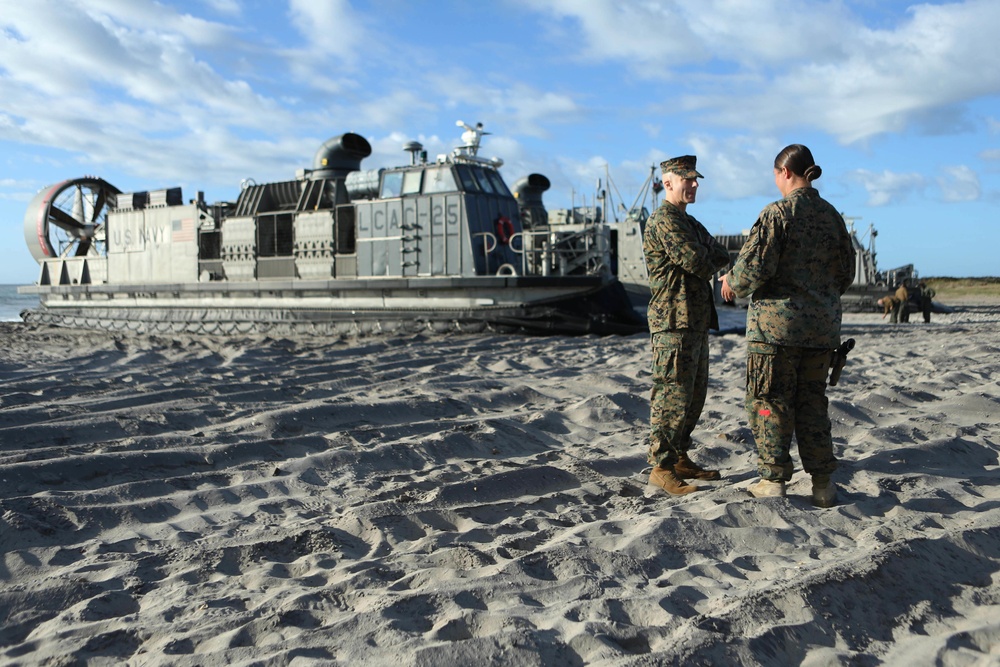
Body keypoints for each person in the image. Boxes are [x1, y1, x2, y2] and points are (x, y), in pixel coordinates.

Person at [720, 144, 856, 507]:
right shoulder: (833, 217)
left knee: (769, 402)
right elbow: (846, 275)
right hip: (821, 329)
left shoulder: (777, 214)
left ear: (784, 173)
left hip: (776, 333)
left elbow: (753, 269)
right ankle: (823, 484)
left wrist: (730, 282)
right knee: (812, 402)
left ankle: (773, 479)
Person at [643, 155, 732, 496]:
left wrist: (707, 256)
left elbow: (720, 253)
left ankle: (679, 456)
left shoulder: (689, 223)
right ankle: (661, 468)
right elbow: (695, 260)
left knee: (693, 397)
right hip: (673, 322)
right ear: (668, 183)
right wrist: (706, 257)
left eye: (696, 180)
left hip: (693, 321)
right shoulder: (665, 220)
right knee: (671, 396)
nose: (694, 185)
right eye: (688, 180)